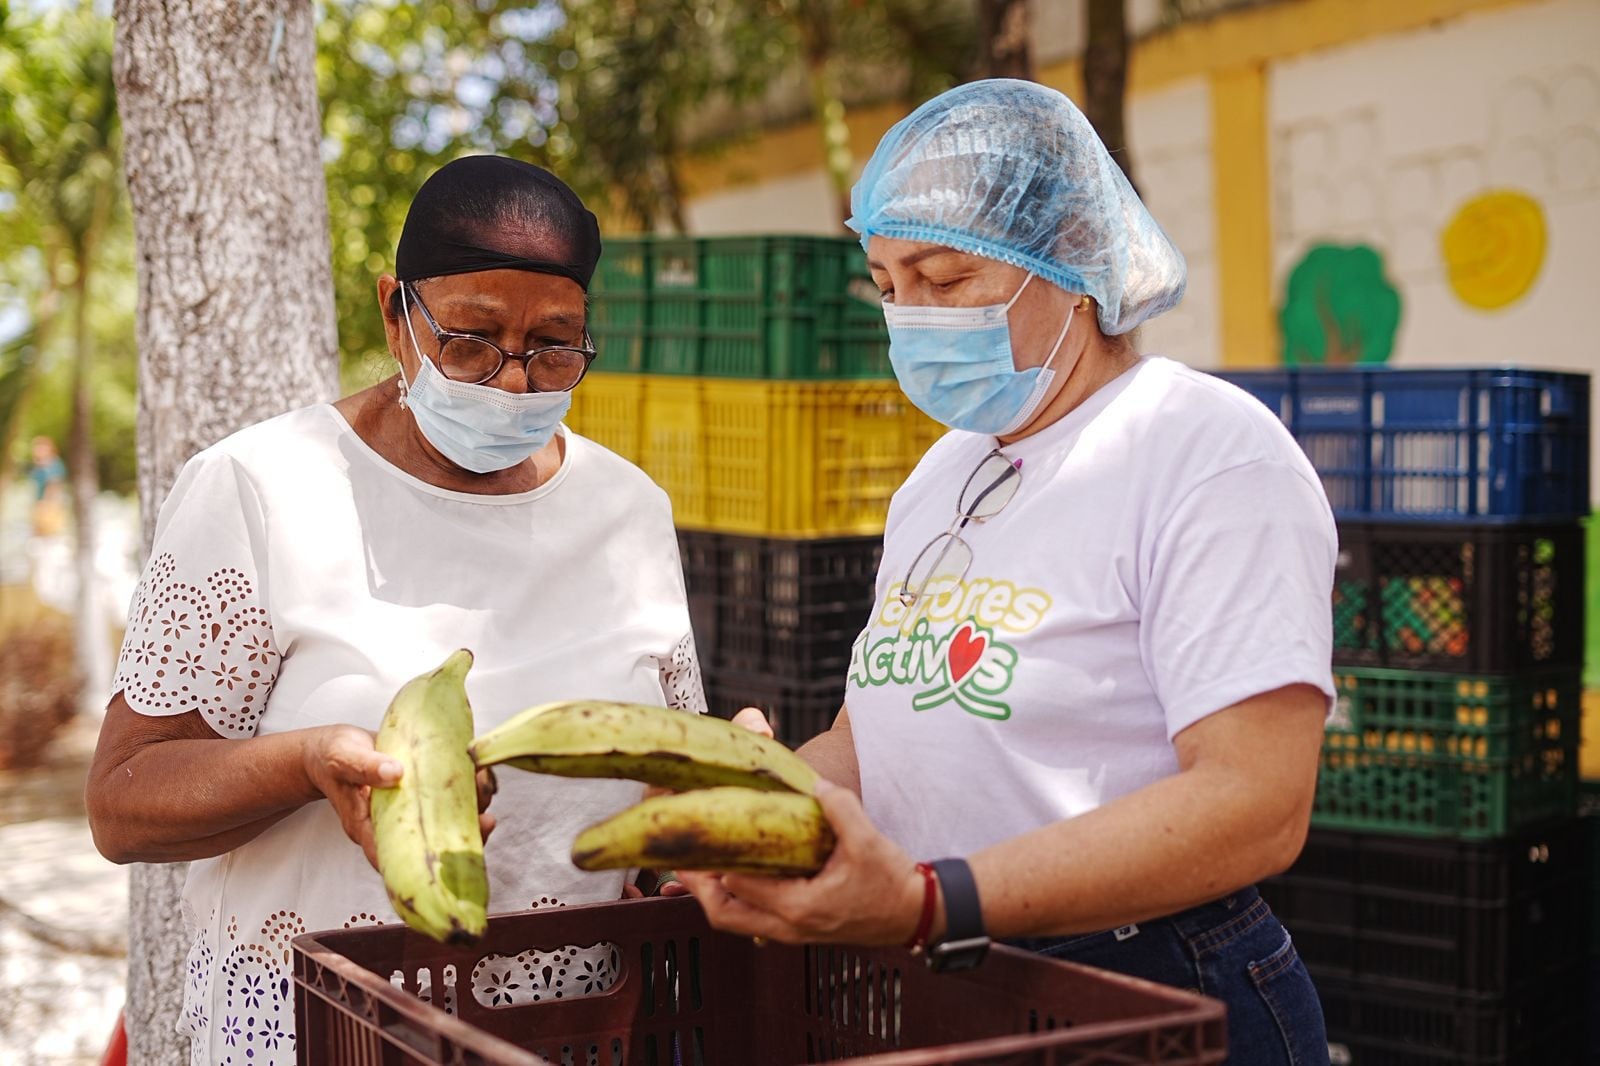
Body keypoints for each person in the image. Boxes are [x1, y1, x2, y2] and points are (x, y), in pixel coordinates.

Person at [681, 80, 1335, 1065]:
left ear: (1069, 261)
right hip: (953, 966)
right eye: (890, 285)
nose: (912, 316)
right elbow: (876, 740)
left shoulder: (1202, 450)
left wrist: (932, 899)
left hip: (1146, 982)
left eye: (944, 279)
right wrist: (751, 796)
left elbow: (1256, 803)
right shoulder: (945, 471)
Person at [85, 156, 705, 1065]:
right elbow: (122, 803)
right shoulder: (263, 490)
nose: (515, 383)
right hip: (315, 1035)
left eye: (556, 345)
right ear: (395, 313)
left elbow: (656, 811)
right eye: (471, 340)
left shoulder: (629, 512)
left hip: (561, 1034)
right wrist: (305, 764)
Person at [27, 434, 66, 538]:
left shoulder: (53, 464)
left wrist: (46, 502)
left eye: (41, 447)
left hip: (48, 504)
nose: (37, 450)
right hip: (40, 502)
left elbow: (54, 485)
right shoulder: (40, 465)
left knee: (47, 533)